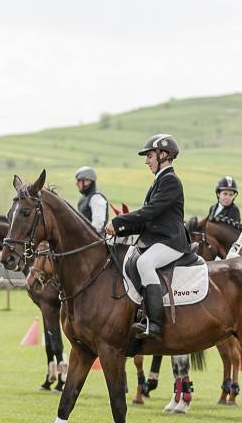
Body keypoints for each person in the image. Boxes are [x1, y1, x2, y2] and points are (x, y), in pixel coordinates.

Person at [106, 134, 190, 341]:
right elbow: (146, 222)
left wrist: (118, 221)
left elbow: (149, 212)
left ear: (164, 155)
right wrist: (120, 230)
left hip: (171, 241)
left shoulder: (170, 181)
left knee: (145, 263)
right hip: (157, 240)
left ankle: (155, 325)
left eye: (150, 156)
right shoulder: (158, 181)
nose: (147, 161)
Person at [74, 166, 109, 232]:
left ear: (87, 181)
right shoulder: (83, 199)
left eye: (79, 180)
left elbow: (98, 225)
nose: (76, 183)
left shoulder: (96, 198)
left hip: (95, 240)